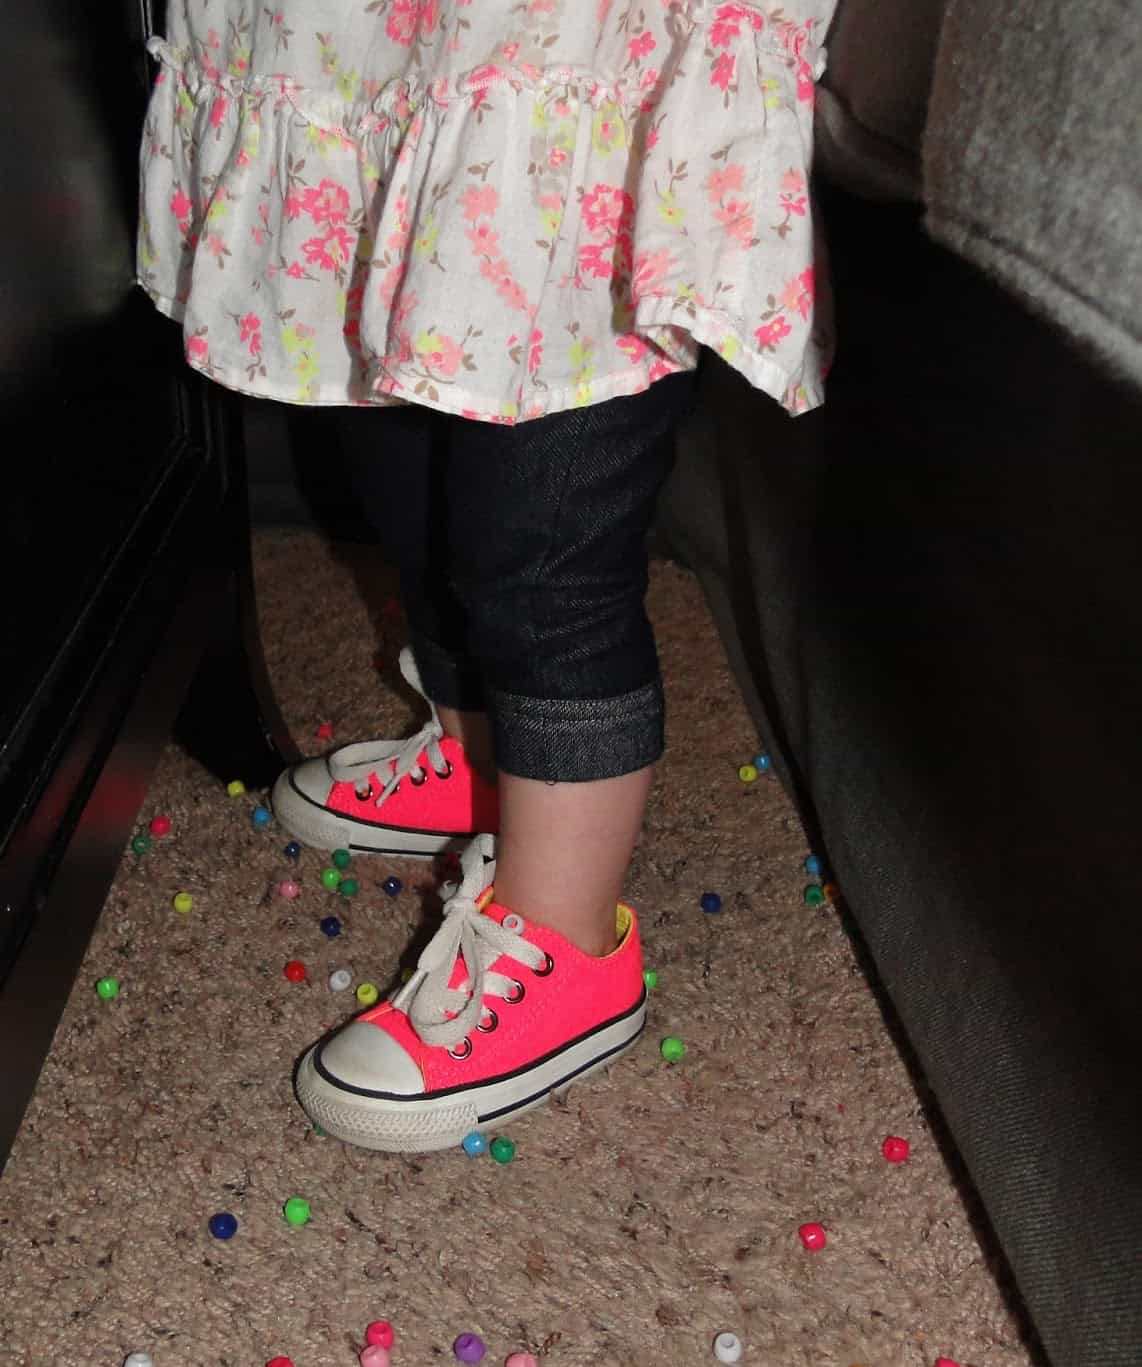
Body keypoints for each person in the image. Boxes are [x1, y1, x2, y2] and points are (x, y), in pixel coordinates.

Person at [137, 1, 834, 1154]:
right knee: (395, 431)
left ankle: (570, 950)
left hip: (566, 57)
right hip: (363, 49)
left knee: (540, 552)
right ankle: (477, 763)